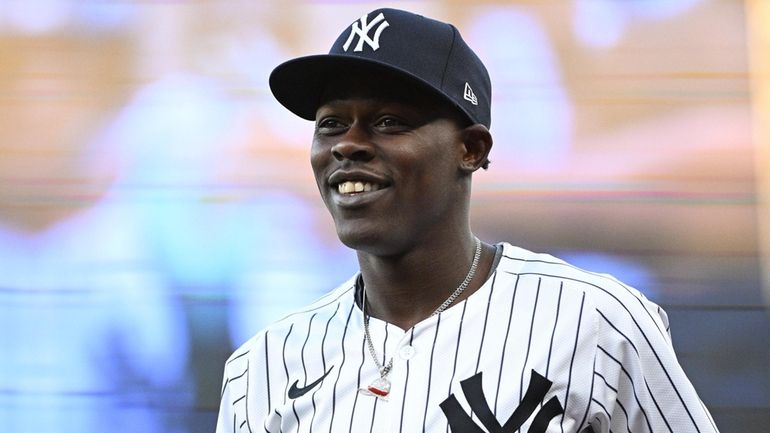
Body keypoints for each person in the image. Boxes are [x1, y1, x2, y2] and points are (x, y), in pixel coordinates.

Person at [216, 8, 719, 433]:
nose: (348, 144)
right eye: (330, 124)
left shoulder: (596, 322)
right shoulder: (261, 365)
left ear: (471, 149)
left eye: (389, 121)